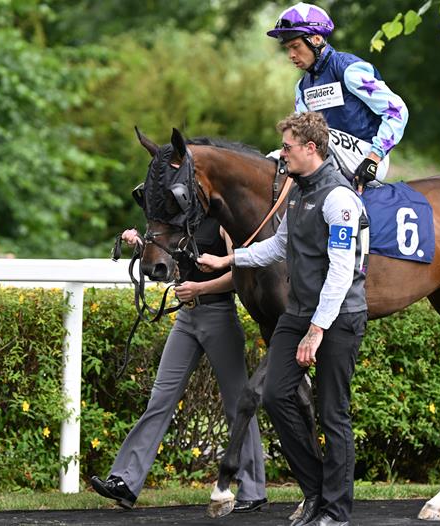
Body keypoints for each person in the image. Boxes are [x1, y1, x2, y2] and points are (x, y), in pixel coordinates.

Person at [199, 112, 368, 526]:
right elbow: (278, 245)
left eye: (288, 147)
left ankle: (336, 510)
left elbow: (341, 273)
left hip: (338, 317)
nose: (282, 154)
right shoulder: (298, 191)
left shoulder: (339, 199)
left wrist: (316, 330)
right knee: (275, 394)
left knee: (333, 413)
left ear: (311, 149)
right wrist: (231, 258)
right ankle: (315, 493)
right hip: (300, 312)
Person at [90, 217, 267, 513]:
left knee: (237, 404)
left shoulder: (222, 222)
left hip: (218, 316)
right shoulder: (179, 222)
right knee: (160, 399)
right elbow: (165, 265)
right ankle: (125, 481)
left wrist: (201, 288)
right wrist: (141, 245)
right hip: (186, 319)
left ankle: (253, 489)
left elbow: (242, 275)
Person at [267, 2, 408, 187]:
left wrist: (373, 159)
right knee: (273, 157)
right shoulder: (302, 87)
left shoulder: (348, 70)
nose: (291, 55)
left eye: (295, 46)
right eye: (288, 48)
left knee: (317, 134)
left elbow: (397, 110)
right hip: (327, 156)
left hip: (367, 158)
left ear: (316, 39)